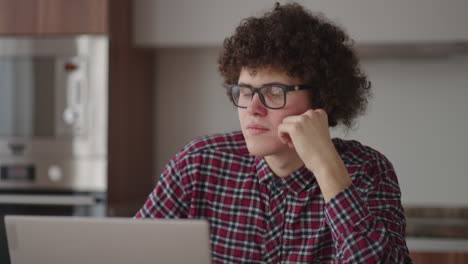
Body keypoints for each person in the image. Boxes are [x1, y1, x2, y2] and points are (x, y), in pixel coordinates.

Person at [135, 2, 413, 263]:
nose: (253, 108)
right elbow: (131, 252)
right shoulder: (198, 163)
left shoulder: (367, 171)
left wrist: (327, 168)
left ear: (322, 102)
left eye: (274, 92)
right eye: (245, 91)